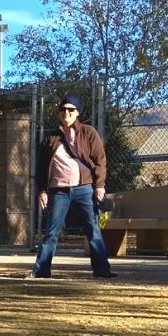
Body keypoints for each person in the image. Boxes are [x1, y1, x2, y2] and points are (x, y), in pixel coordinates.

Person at [28, 95, 116, 279]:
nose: (66, 113)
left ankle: (102, 270)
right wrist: (42, 190)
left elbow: (100, 160)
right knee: (51, 230)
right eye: (63, 110)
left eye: (71, 110)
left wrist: (99, 186)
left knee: (92, 229)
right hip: (59, 190)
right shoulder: (50, 138)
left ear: (78, 112)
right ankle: (41, 270)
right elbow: (42, 167)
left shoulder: (88, 132)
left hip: (84, 188)